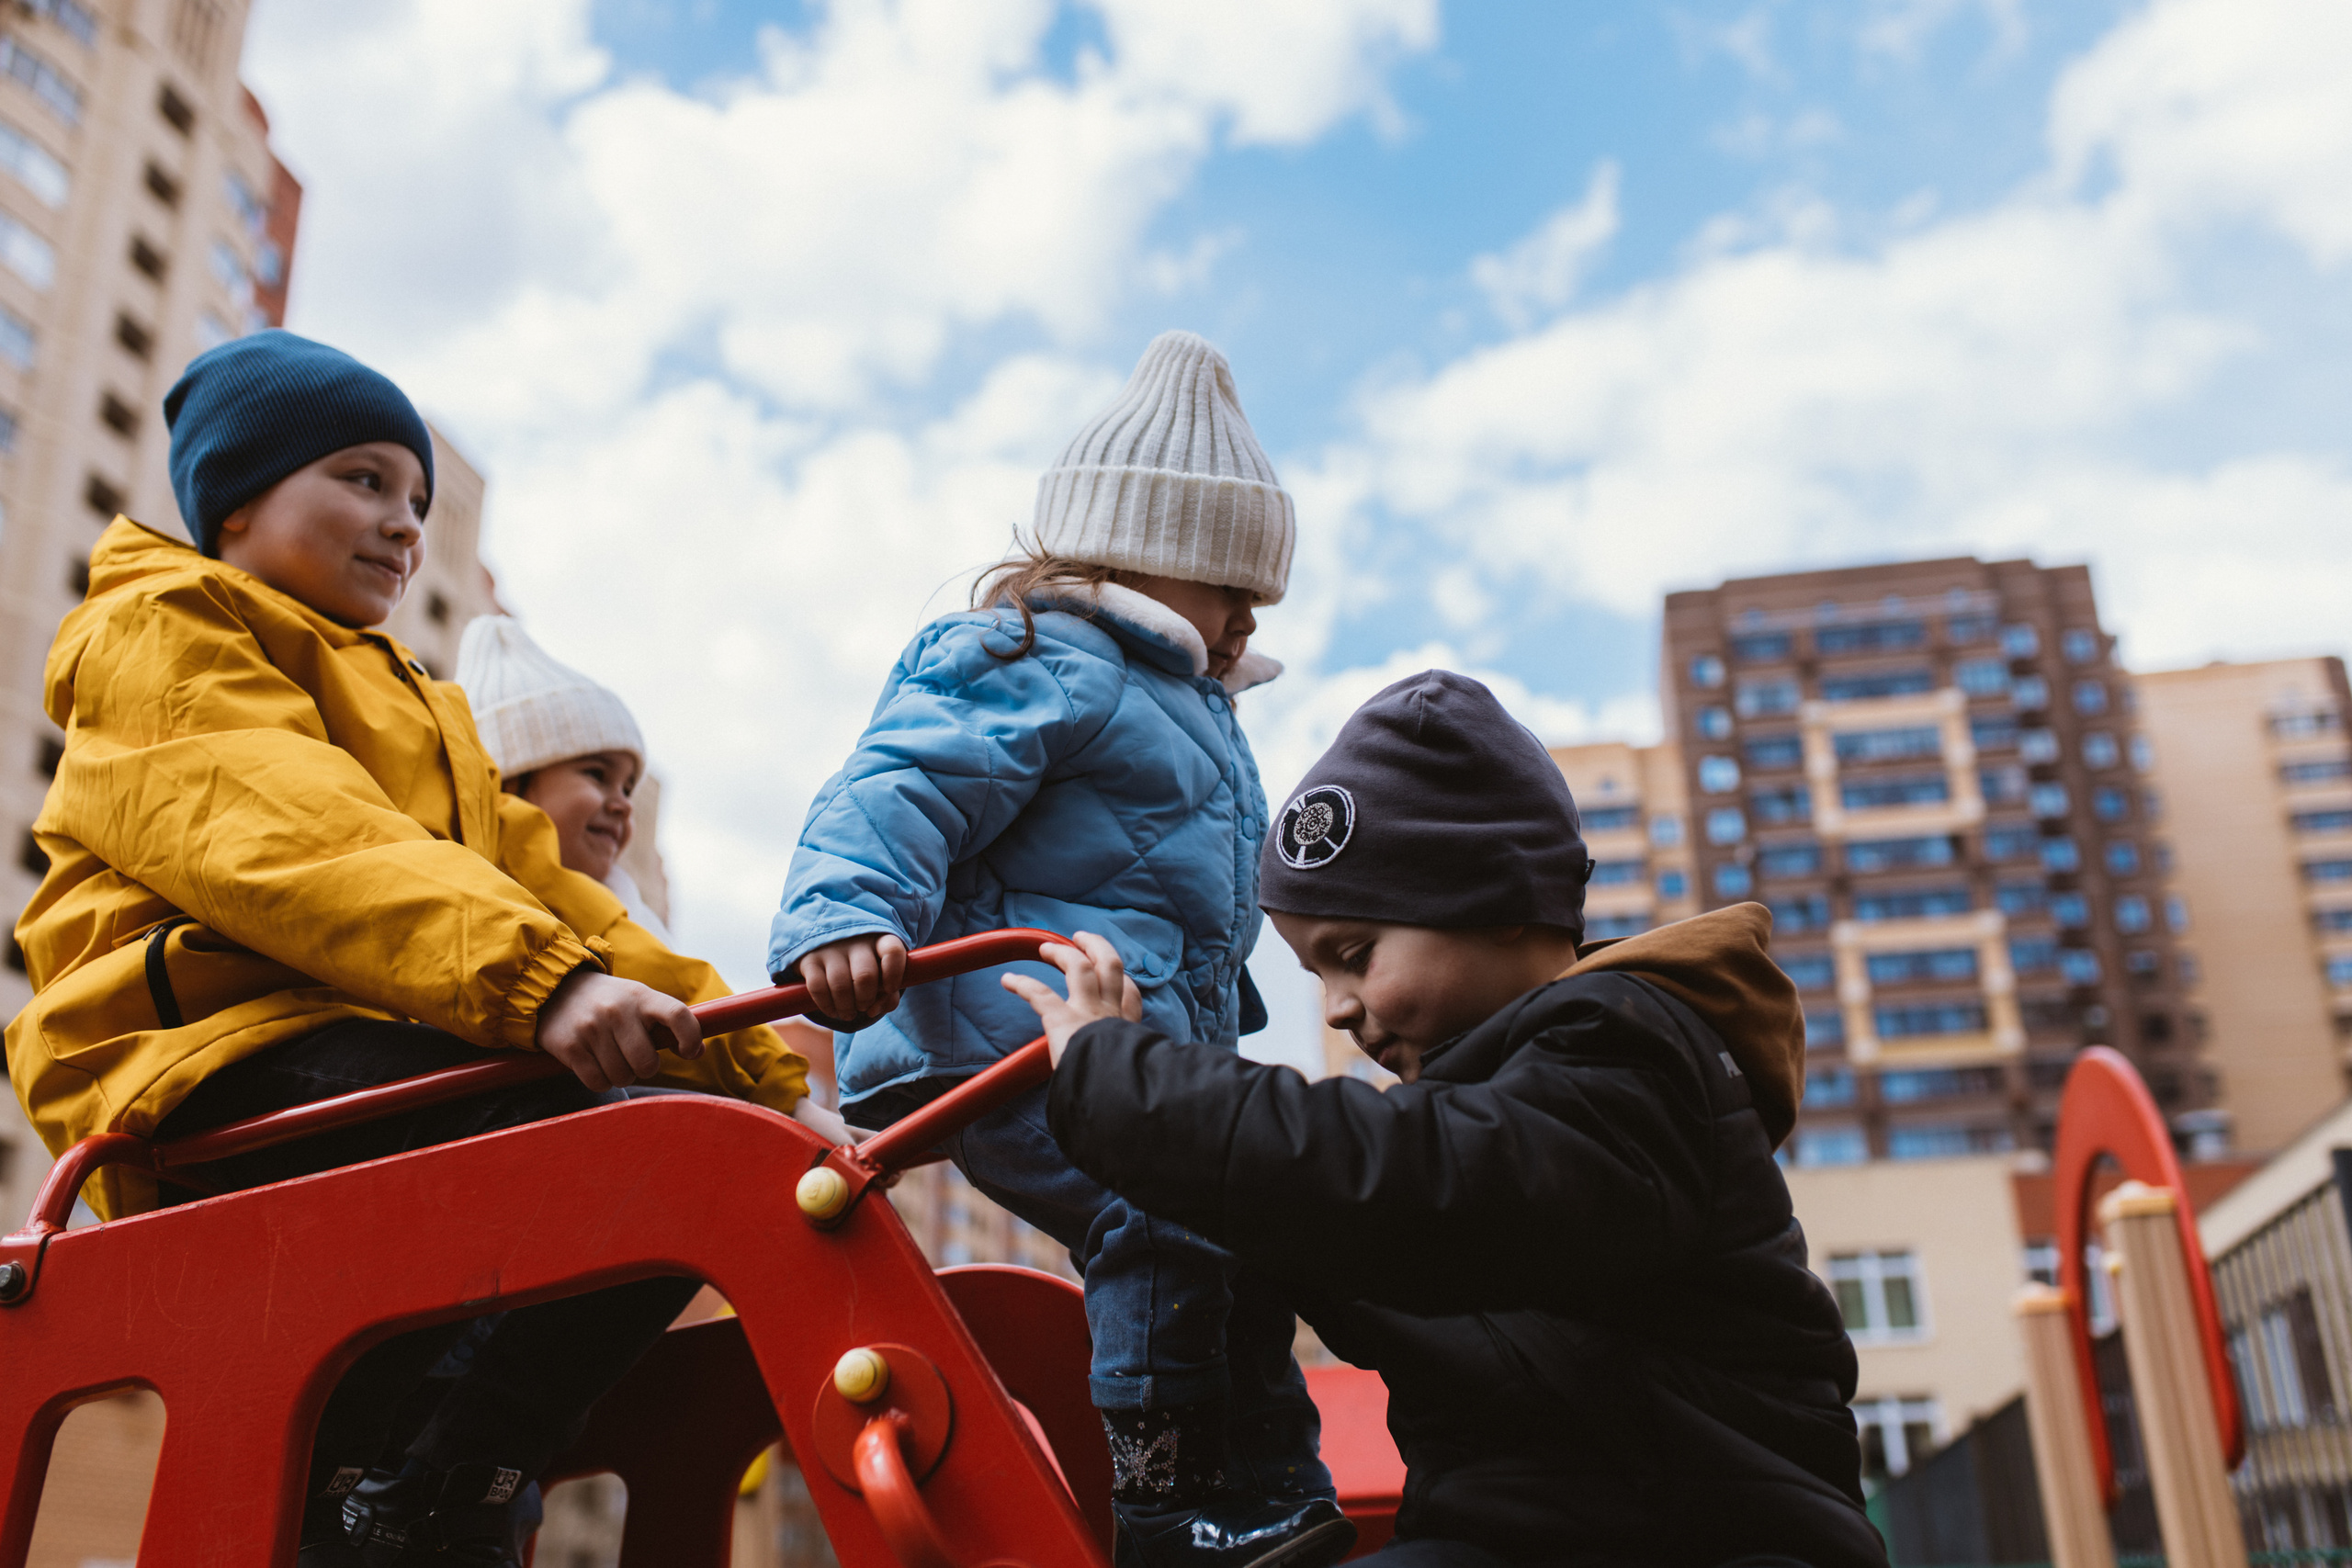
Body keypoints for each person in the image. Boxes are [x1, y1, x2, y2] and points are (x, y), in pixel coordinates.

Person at [5, 331, 829, 1566]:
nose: (404, 524)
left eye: (419, 501)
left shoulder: (424, 714)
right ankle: (399, 1478)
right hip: (195, 1063)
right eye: (364, 480)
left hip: (347, 1046)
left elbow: (569, 902)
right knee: (620, 1146)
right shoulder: (165, 631)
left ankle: (434, 1483)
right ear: (237, 501)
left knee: (707, 1154)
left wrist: (769, 1084)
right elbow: (296, 837)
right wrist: (540, 986)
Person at [1004, 671, 1889, 1568]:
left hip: (1719, 1540)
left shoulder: (1630, 1055)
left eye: (1355, 955)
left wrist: (1132, 1084)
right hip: (1519, 1537)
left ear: (1497, 898)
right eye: (1318, 976)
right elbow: (1335, 1221)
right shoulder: (1465, 1132)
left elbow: (1413, 1186)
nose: (1339, 1008)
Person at [769, 331, 1353, 1567]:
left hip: (1113, 1048)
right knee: (1163, 1206)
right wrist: (845, 917)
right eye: (1229, 583)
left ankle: (1275, 1488)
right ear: (1141, 553)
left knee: (1248, 1217)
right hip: (1001, 1036)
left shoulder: (1194, 710)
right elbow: (898, 786)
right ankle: (1162, 1505)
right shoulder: (1036, 655)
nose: (1248, 616)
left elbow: (1182, 910)